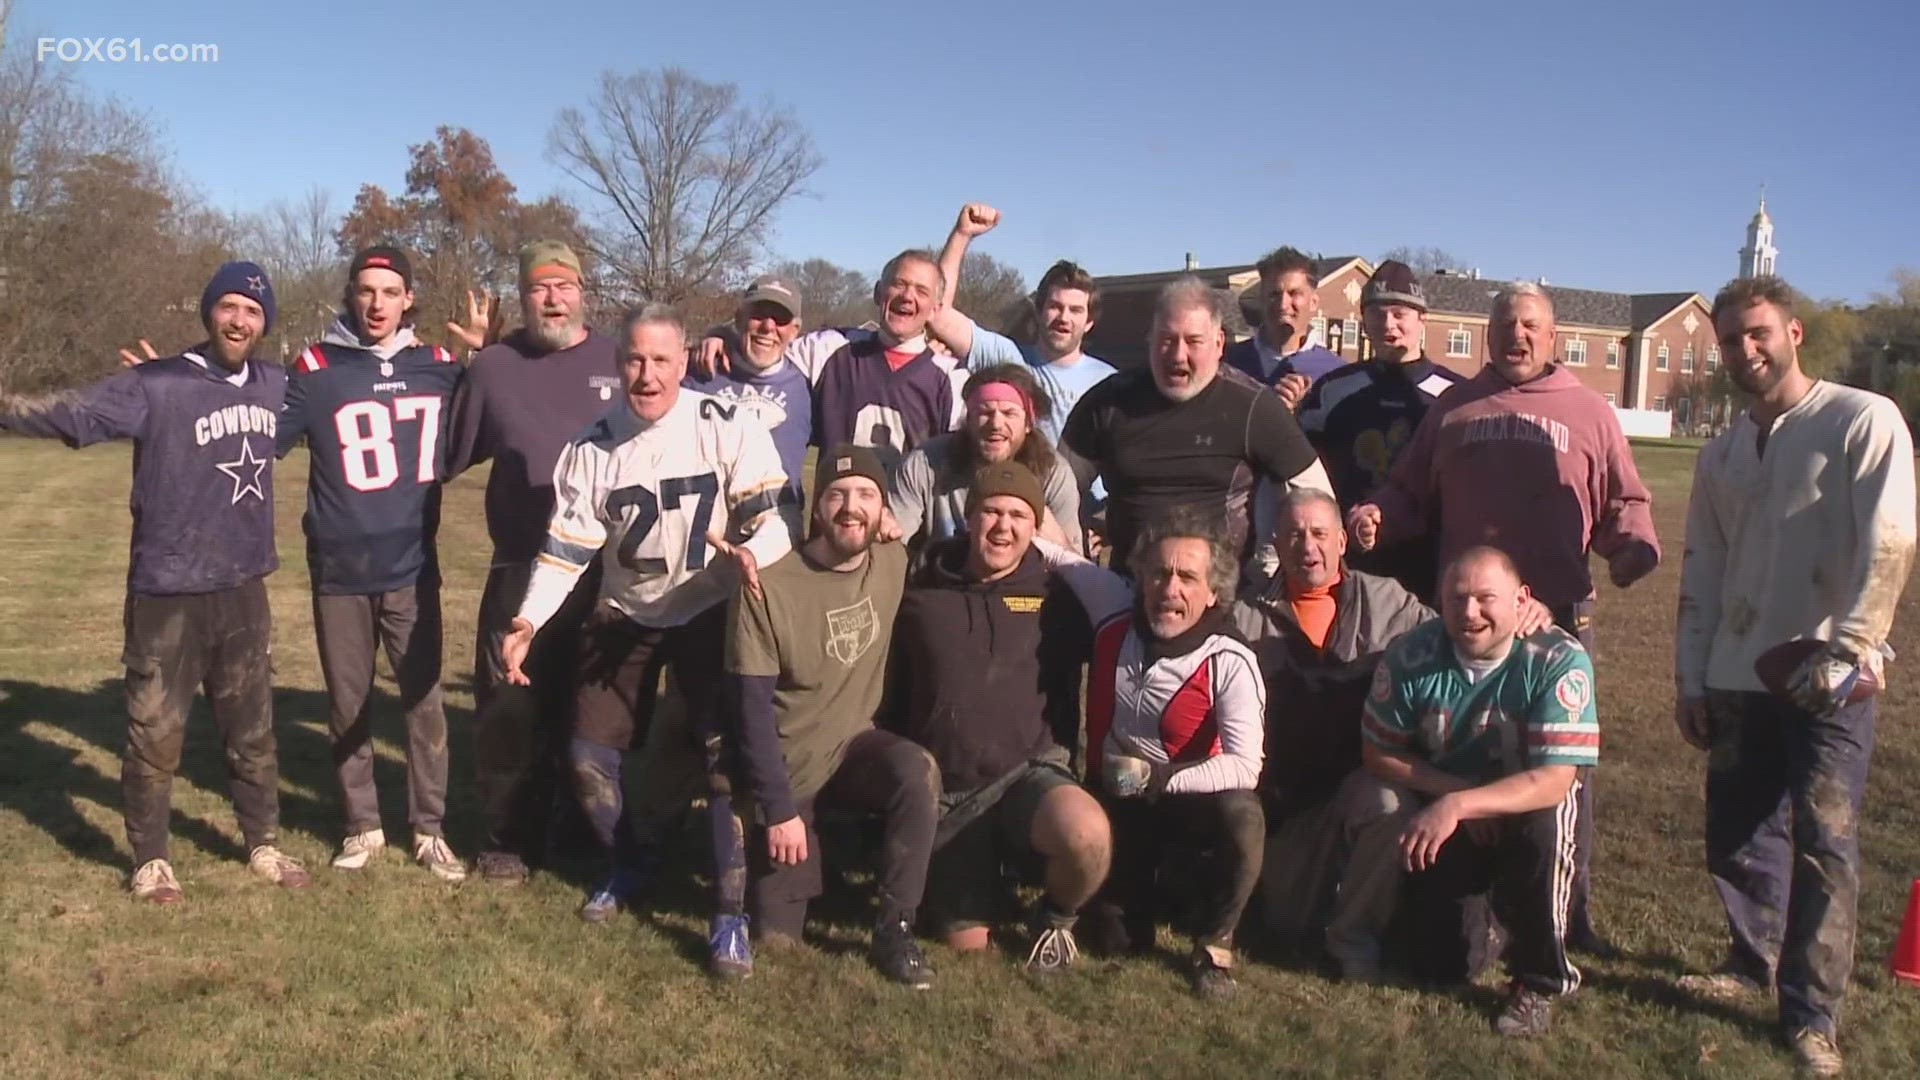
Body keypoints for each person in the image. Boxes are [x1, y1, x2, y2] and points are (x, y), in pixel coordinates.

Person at [1348, 281, 1660, 954]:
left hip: (1554, 628)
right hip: (1467, 625)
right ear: (1487, 334)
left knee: (1560, 782)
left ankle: (1566, 918)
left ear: (1552, 337)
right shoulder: (1454, 408)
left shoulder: (1589, 412)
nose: (1515, 335)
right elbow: (1409, 492)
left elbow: (1623, 502)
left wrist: (1633, 548)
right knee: (1459, 755)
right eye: (1503, 325)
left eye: (1529, 325)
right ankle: (1466, 899)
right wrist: (1379, 515)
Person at [0, 263, 310, 901]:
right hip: (166, 590)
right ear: (208, 312)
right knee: (155, 732)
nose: (239, 320)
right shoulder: (158, 383)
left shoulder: (278, 386)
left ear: (266, 324)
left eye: (253, 312)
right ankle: (150, 860)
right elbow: (72, 414)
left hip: (243, 586)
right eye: (228, 307)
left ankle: (263, 844)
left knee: (252, 730)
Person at [1672, 276, 1916, 1078]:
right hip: (1739, 672)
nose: (1745, 350)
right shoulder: (1721, 453)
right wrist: (1692, 674)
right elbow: (1703, 566)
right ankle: (1752, 962)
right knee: (1738, 837)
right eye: (1730, 340)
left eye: (1758, 333)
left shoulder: (1861, 419)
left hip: (1830, 677)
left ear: (1793, 332)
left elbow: (1890, 546)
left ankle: (1812, 1014)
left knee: (1825, 843)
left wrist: (1849, 653)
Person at [498, 305, 794, 952]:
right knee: (586, 760)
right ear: (617, 363)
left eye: (661, 359)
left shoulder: (727, 425)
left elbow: (774, 520)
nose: (647, 374)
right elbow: (565, 550)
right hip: (626, 611)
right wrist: (527, 619)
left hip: (708, 607)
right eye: (634, 359)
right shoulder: (591, 446)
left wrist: (754, 551)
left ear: (684, 362)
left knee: (723, 755)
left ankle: (728, 912)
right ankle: (632, 863)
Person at [1356, 546, 1599, 1037]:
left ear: (1520, 599)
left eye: (1486, 598)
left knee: (1547, 821)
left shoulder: (1558, 659)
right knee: (1441, 968)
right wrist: (1455, 794)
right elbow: (1378, 752)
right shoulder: (1412, 655)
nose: (1469, 613)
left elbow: (1556, 779)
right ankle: (1493, 922)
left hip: (1528, 805)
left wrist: (1460, 803)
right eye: (1456, 599)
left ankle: (1540, 978)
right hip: (1453, 804)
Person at [446, 240, 625, 885]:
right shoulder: (494, 367)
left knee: (592, 706)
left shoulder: (618, 358)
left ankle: (585, 830)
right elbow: (444, 452)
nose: (553, 298)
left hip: (607, 567)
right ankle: (507, 838)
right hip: (521, 564)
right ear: (522, 299)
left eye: (564, 286)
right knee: (508, 707)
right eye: (538, 289)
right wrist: (462, 363)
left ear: (584, 291)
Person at [886, 461, 1111, 972]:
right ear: (968, 516)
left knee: (1088, 834)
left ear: (1036, 528)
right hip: (946, 793)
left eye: (1017, 515)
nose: (1003, 526)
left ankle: (1056, 918)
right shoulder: (918, 589)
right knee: (966, 946)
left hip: (1029, 777)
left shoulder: (1062, 599)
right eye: (991, 511)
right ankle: (973, 880)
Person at [727, 446, 939, 988]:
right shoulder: (767, 586)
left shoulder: (893, 560)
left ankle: (895, 925)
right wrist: (777, 809)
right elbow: (751, 710)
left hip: (854, 750)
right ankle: (804, 852)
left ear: (883, 510)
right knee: (778, 937)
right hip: (791, 770)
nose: (852, 508)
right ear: (817, 507)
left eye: (867, 495)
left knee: (916, 771)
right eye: (837, 495)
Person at [1039, 509, 1268, 998]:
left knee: (1243, 815)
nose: (1171, 588)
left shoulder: (1230, 659)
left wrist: (1163, 778)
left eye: (1188, 576)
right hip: (1120, 804)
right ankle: (1153, 895)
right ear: (1140, 578)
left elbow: (1246, 765)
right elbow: (1059, 556)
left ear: (1213, 592)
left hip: (1186, 803)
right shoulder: (1113, 612)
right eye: (1160, 572)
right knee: (1117, 944)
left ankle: (1215, 947)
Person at [1059, 275, 1332, 572]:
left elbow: (1316, 498)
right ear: (1149, 340)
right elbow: (1052, 489)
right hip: (1127, 590)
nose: (1178, 355)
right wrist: (1074, 560)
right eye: (1166, 340)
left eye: (1193, 341)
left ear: (1218, 344)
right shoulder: (1108, 402)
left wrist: (1272, 571)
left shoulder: (1253, 406)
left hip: (1223, 597)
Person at [1287, 260, 1467, 599]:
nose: (1389, 324)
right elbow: (1302, 472)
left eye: (1400, 314)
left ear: (1421, 319)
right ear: (1364, 321)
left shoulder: (1457, 395)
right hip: (1350, 557)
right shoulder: (1332, 389)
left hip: (1432, 559)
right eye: (1377, 314)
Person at [698, 252, 959, 467]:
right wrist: (724, 335)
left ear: (935, 309)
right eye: (899, 284)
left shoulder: (951, 377)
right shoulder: (827, 348)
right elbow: (767, 346)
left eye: (922, 291)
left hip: (912, 529)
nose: (907, 296)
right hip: (832, 526)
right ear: (879, 292)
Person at [925, 204, 1119, 447]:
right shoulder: (1007, 357)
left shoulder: (1110, 382)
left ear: (1089, 322)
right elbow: (937, 312)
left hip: (1084, 487)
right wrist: (962, 235)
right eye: (1055, 306)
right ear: (1038, 311)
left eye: (1076, 310)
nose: (1064, 317)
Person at [888, 364, 1080, 551]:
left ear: (1028, 423)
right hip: (941, 578)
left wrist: (1059, 545)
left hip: (1026, 580)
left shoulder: (1053, 473)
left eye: (1009, 413)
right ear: (968, 419)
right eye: (984, 412)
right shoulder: (925, 463)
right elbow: (892, 542)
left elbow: (1075, 566)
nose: (996, 424)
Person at [1225, 245, 1344, 391]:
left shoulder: (1336, 374)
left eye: (1294, 293)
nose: (1283, 305)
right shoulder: (1228, 365)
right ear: (1261, 299)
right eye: (1274, 294)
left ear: (1313, 302)